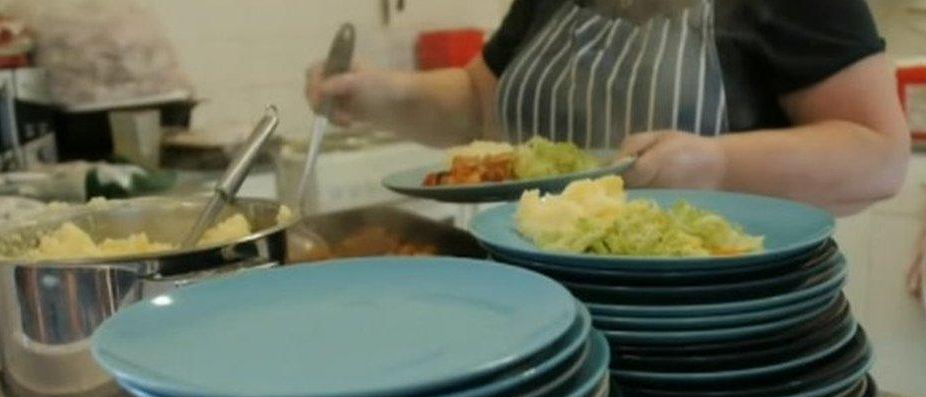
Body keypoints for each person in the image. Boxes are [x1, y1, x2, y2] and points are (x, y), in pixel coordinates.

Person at [306, 0, 910, 215]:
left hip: (708, 336)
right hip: (544, 319)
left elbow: (877, 155)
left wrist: (716, 166)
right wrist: (383, 96)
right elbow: (480, 105)